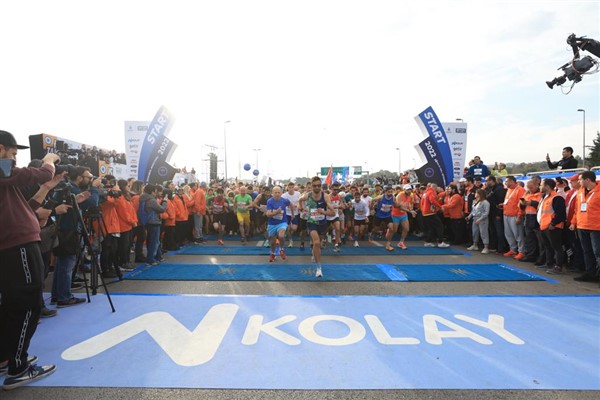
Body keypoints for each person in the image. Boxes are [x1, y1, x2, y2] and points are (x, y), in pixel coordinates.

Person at [0, 131, 58, 389]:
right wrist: (49, 160)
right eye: (13, 153)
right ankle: (18, 365)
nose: (14, 159)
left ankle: (7, 356)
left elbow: (20, 204)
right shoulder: (2, 170)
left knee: (13, 304)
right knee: (27, 303)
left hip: (15, 243)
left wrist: (45, 188)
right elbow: (43, 173)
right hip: (17, 245)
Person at [298, 177, 336, 278]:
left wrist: (323, 212)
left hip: (322, 223)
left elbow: (333, 212)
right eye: (315, 186)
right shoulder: (308, 195)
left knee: (318, 244)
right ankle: (319, 268)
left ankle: (314, 252)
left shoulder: (326, 196)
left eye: (319, 185)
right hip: (311, 222)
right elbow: (300, 200)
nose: (317, 187)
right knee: (317, 242)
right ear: (311, 186)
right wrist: (302, 208)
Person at [569, 171, 600, 283]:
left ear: (588, 180)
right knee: (587, 251)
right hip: (582, 226)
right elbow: (577, 209)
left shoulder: (598, 191)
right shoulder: (580, 192)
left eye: (580, 179)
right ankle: (589, 273)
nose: (579, 181)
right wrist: (573, 222)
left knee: (598, 252)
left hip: (596, 227)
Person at [538, 179, 567, 274]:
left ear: (547, 186)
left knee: (556, 247)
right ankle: (549, 263)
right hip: (544, 226)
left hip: (553, 227)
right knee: (547, 246)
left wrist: (553, 224)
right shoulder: (546, 197)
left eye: (541, 185)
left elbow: (561, 214)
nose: (540, 187)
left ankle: (558, 266)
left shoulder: (557, 197)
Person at [265, 186, 294, 262]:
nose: (277, 194)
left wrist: (292, 213)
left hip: (282, 222)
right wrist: (276, 212)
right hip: (272, 224)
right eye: (275, 192)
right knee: (272, 242)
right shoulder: (269, 201)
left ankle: (281, 250)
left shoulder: (284, 200)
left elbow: (291, 204)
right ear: (272, 193)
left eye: (279, 192)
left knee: (281, 236)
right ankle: (273, 254)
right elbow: (268, 214)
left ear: (281, 193)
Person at [501, 176, 526, 258]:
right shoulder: (508, 189)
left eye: (507, 181)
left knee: (518, 234)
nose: (505, 183)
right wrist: (503, 205)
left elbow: (522, 205)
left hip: (515, 215)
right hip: (506, 214)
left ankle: (521, 251)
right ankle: (513, 249)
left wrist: (519, 216)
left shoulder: (520, 190)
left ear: (512, 181)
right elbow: (509, 201)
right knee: (508, 234)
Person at [420, 183, 449, 247]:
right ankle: (440, 242)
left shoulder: (425, 193)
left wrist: (423, 210)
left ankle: (428, 241)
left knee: (431, 228)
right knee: (439, 226)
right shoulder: (431, 192)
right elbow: (432, 201)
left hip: (425, 213)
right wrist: (440, 206)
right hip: (430, 212)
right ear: (435, 188)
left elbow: (421, 202)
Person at [371, 185, 396, 251]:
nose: (390, 193)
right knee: (376, 229)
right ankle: (371, 236)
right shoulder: (381, 197)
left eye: (391, 192)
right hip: (379, 215)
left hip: (387, 216)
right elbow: (372, 200)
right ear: (385, 192)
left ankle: (388, 244)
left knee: (391, 228)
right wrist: (372, 208)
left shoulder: (393, 198)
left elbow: (396, 205)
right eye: (389, 192)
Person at [392, 184, 416, 249]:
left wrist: (411, 210)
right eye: (408, 190)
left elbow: (409, 205)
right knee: (394, 230)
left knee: (406, 229)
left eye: (410, 190)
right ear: (404, 189)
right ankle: (388, 238)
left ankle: (401, 242)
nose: (409, 191)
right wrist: (410, 211)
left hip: (403, 215)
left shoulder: (410, 196)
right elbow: (398, 207)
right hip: (395, 214)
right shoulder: (400, 195)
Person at [466, 189, 491, 254]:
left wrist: (480, 218)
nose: (475, 194)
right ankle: (475, 244)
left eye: (476, 193)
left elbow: (486, 212)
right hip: (475, 218)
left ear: (480, 194)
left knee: (483, 233)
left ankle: (486, 247)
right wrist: (469, 216)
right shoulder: (475, 201)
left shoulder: (485, 202)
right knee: (475, 232)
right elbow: (473, 210)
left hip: (482, 219)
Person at [282, 182, 300, 248]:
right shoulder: (284, 195)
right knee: (288, 228)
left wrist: (297, 206)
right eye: (289, 187)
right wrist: (287, 206)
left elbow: (300, 202)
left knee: (294, 228)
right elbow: (282, 203)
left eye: (292, 187)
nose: (291, 189)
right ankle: (290, 240)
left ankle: (289, 235)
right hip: (287, 213)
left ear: (294, 187)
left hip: (295, 213)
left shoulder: (298, 194)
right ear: (287, 188)